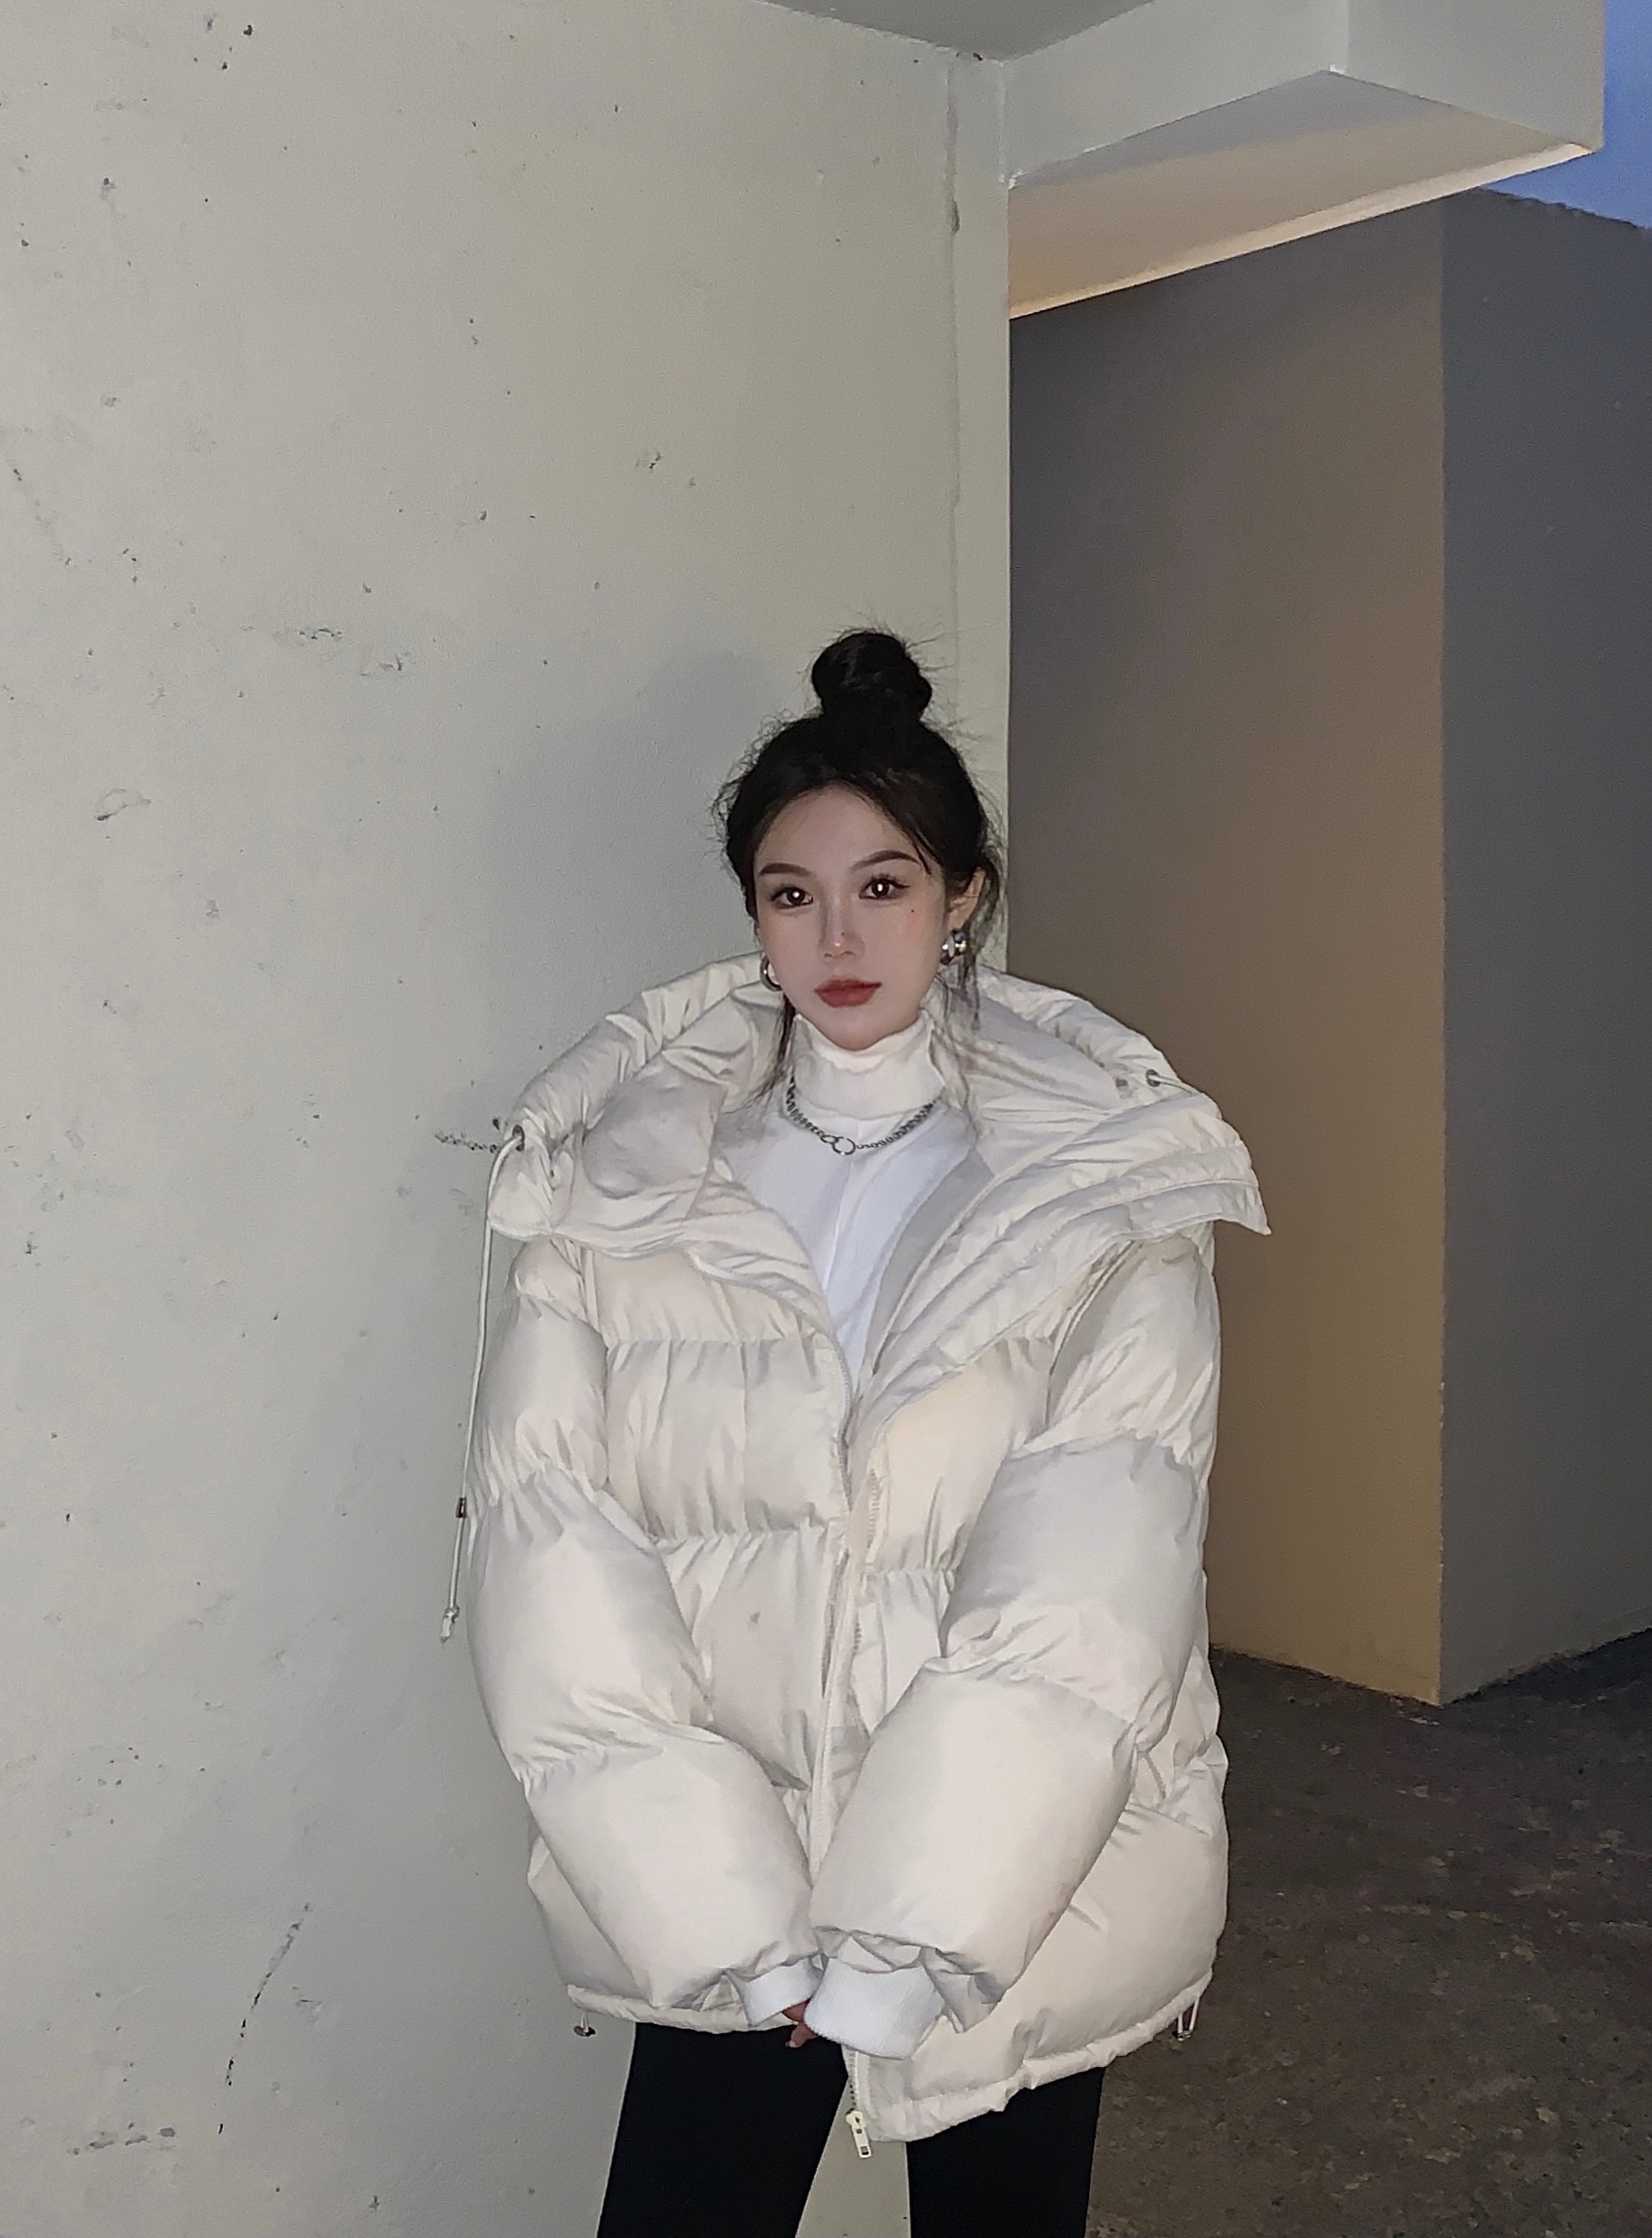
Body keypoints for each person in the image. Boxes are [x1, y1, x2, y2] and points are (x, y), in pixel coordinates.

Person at [454, 631, 1266, 2237]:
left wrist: (910, 1946)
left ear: (963, 898)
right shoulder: (614, 1192)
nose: (835, 936)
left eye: (882, 886)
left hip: (1027, 1874)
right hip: (729, 1872)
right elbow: (551, 1554)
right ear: (752, 914)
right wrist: (728, 1922)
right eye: (791, 893)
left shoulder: (1105, 1193)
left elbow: (1092, 1583)